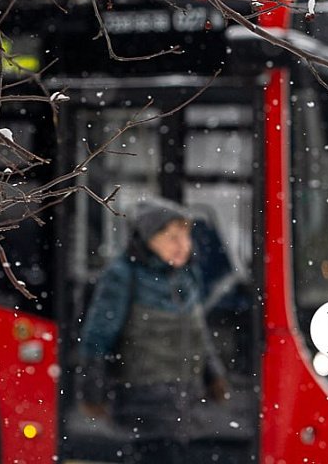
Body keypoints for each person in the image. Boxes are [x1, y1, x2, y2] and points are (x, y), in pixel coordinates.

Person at [78, 196, 228, 462]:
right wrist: (92, 393)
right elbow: (97, 337)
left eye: (186, 236)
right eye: (172, 237)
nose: (183, 245)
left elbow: (198, 332)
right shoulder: (124, 275)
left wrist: (213, 375)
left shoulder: (186, 275)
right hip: (143, 406)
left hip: (184, 405)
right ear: (148, 239)